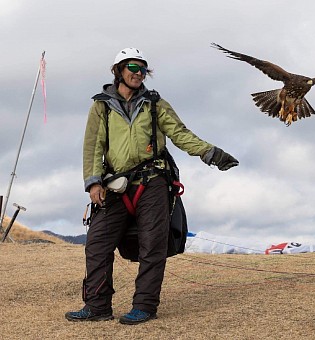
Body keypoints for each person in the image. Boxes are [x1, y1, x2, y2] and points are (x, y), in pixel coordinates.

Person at [65, 47, 238, 324]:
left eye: (143, 68)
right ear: (118, 70)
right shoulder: (101, 106)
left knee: (152, 245)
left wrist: (210, 153)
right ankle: (97, 307)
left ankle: (144, 306)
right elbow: (92, 146)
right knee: (96, 244)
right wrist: (93, 182)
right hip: (114, 185)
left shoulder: (155, 104)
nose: (138, 73)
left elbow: (180, 134)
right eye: (133, 67)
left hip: (153, 182)